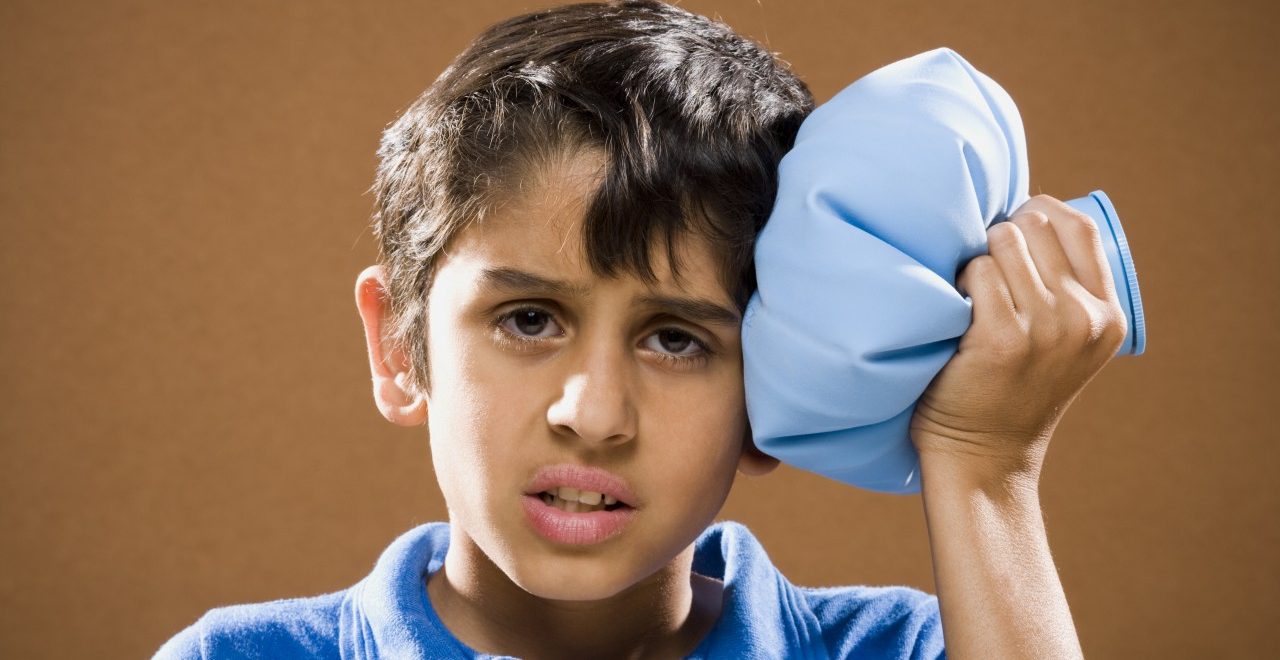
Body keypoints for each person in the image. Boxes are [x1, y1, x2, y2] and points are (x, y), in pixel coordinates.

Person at [155, 1, 1126, 657]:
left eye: (675, 338)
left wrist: (984, 467)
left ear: (773, 387)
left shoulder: (907, 648)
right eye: (528, 318)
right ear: (401, 349)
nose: (594, 414)